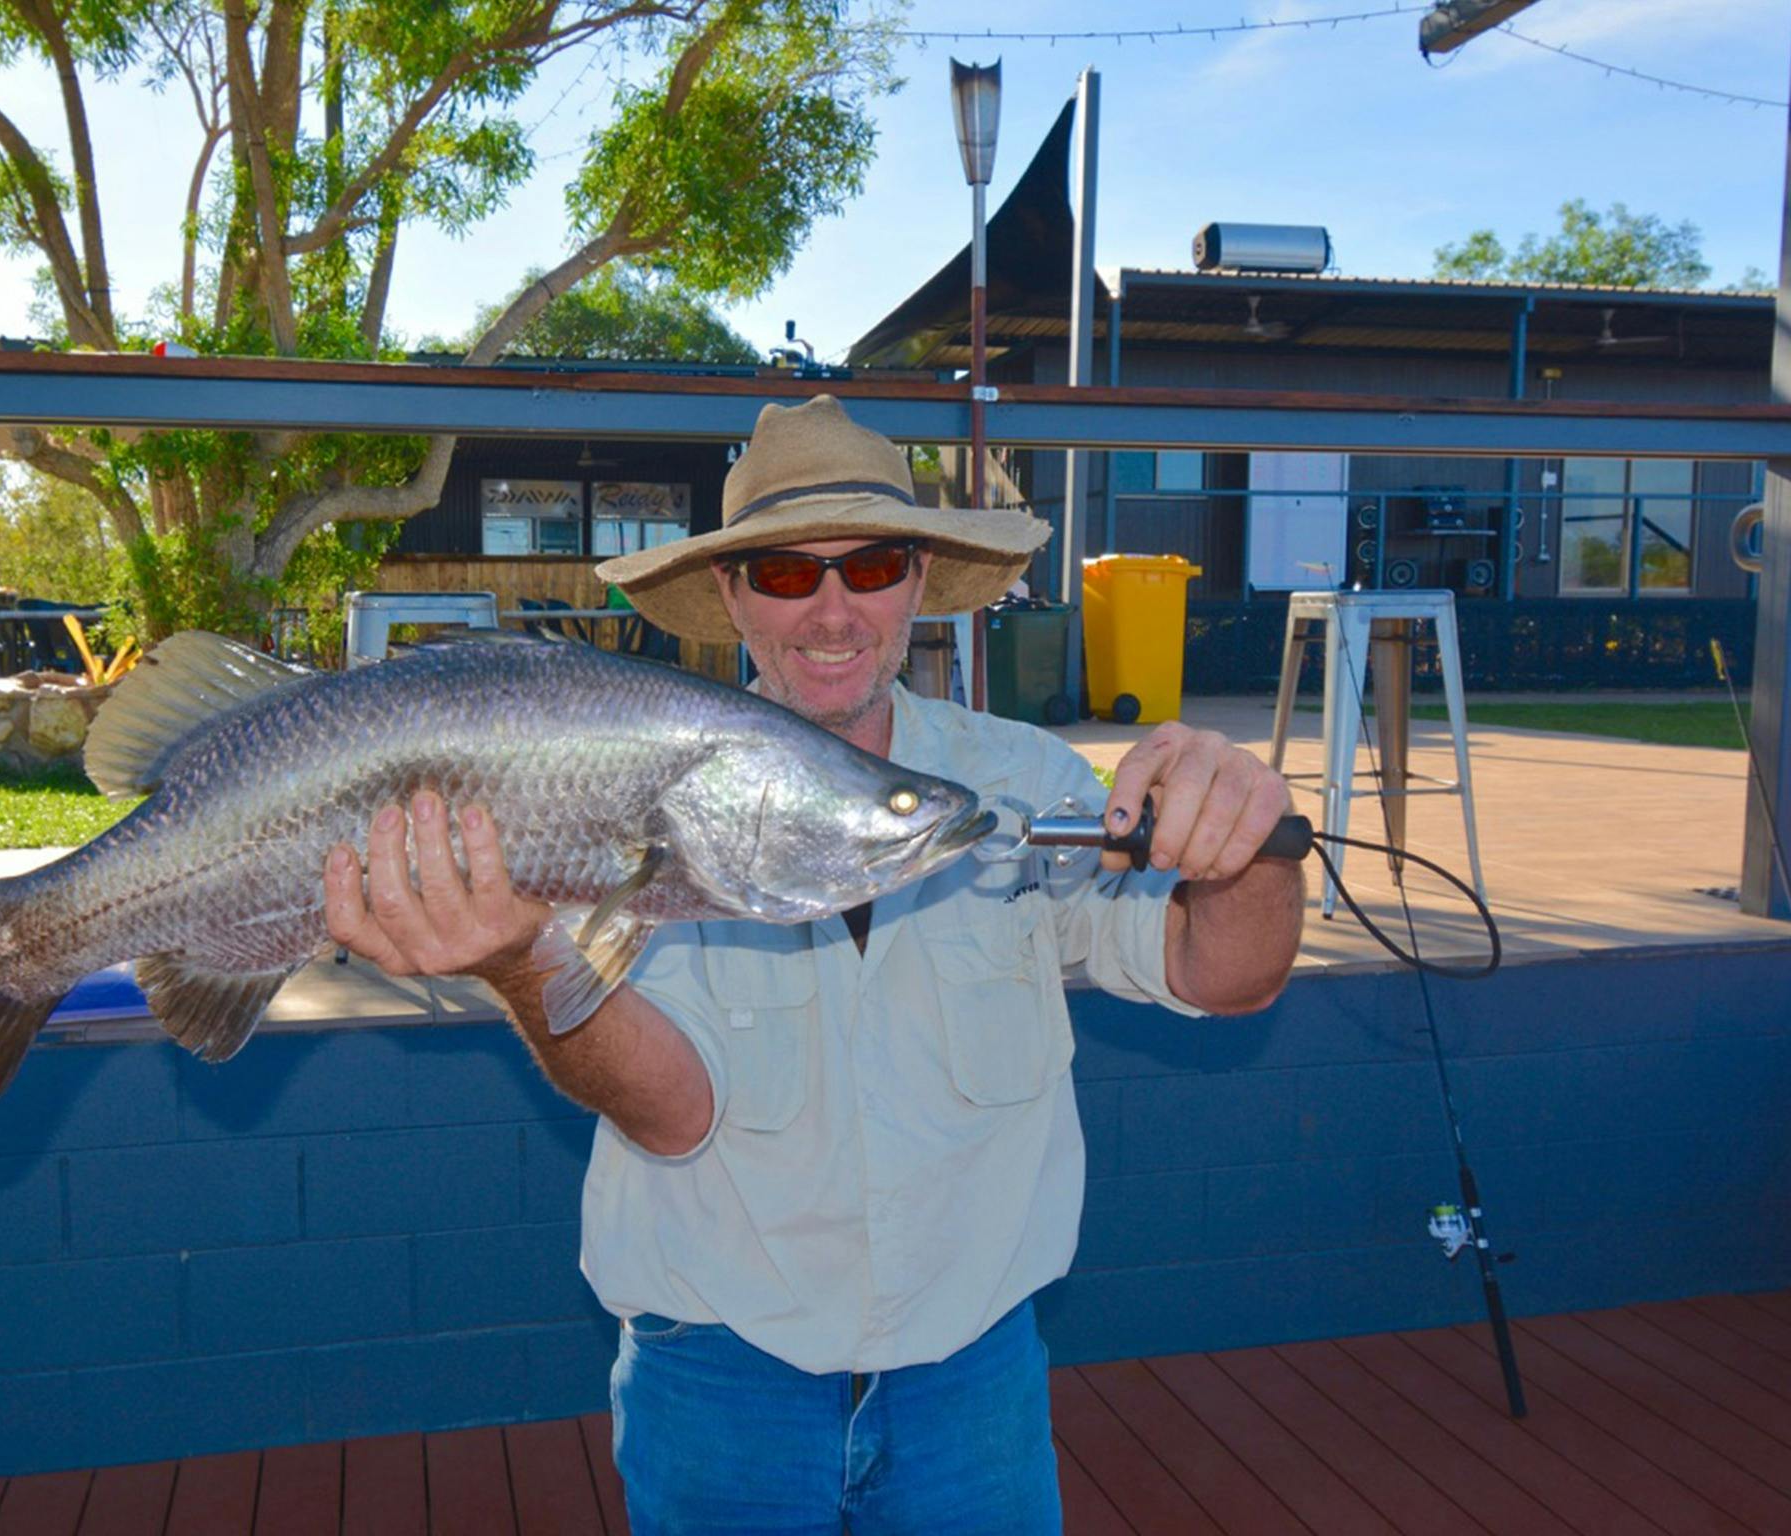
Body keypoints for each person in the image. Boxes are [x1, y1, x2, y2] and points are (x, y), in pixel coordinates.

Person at [324, 395, 1303, 1534]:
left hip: (971, 1382)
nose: (832, 610)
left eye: (871, 566)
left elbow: (1223, 974)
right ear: (733, 598)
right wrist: (520, 961)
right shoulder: (652, 787)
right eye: (786, 575)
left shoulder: (1022, 782)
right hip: (719, 1384)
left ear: (918, 583)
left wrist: (1253, 848)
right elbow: (674, 1114)